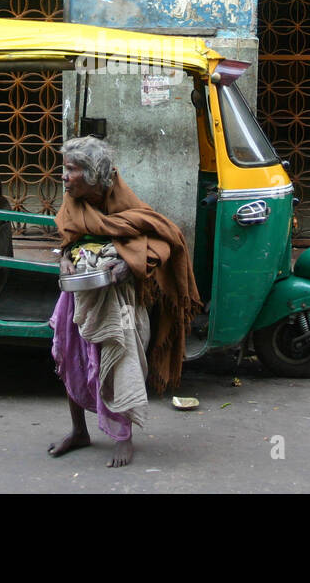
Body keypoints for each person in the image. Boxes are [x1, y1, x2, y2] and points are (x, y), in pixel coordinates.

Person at [47, 136, 202, 467]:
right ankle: (79, 431)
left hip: (120, 298)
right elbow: (68, 238)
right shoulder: (72, 200)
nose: (64, 176)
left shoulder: (123, 201)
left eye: (71, 170)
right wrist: (64, 258)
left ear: (92, 175)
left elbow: (164, 238)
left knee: (121, 359)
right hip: (77, 293)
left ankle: (123, 437)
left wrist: (127, 265)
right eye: (65, 168)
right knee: (71, 356)